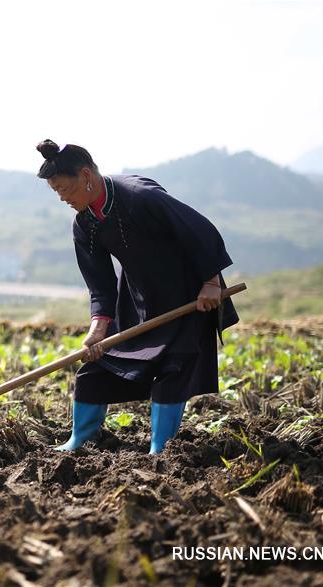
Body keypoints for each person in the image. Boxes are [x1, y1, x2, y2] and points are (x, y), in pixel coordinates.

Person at [35, 140, 238, 454]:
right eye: (56, 192)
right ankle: (81, 439)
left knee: (173, 372)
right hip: (139, 301)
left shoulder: (140, 198)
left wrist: (212, 282)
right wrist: (97, 330)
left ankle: (160, 449)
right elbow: (100, 284)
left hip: (190, 295)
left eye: (65, 189)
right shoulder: (85, 223)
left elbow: (199, 229)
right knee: (97, 368)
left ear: (86, 175)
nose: (62, 197)